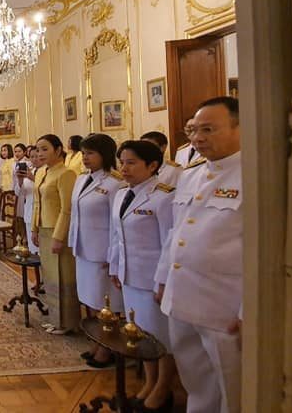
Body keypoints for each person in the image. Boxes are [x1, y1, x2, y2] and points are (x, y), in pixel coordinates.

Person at [156, 97, 242, 413]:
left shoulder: (257, 174)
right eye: (194, 130)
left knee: (233, 390)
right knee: (196, 384)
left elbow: (264, 252)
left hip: (224, 308)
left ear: (240, 127)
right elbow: (175, 230)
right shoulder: (190, 175)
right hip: (182, 299)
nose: (197, 138)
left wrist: (249, 311)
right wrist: (162, 279)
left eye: (209, 129)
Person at [109, 140, 177, 411]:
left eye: (131, 162)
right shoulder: (121, 194)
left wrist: (163, 281)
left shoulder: (164, 196)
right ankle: (150, 382)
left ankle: (163, 388)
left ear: (152, 165)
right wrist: (115, 267)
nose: (124, 168)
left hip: (152, 279)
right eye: (122, 162)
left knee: (161, 336)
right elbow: (117, 236)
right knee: (140, 333)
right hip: (129, 276)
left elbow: (170, 243)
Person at [68, 133, 124, 367]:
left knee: (106, 303)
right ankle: (97, 340)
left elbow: (116, 224)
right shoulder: (82, 179)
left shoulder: (115, 183)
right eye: (83, 153)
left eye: (90, 153)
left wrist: (113, 256)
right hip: (83, 247)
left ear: (105, 154)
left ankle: (108, 347)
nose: (85, 157)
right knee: (90, 298)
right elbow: (75, 213)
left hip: (102, 252)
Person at [32, 134, 80, 334]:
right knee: (50, 276)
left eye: (45, 149)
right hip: (44, 227)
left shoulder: (66, 173)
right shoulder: (42, 172)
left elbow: (67, 209)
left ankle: (68, 322)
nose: (40, 153)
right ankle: (55, 318)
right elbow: (37, 202)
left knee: (63, 276)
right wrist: (34, 228)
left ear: (58, 150)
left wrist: (59, 237)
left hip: (58, 229)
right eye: (38, 149)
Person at [15, 146, 41, 254]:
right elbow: (19, 193)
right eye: (32, 157)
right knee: (32, 248)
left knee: (41, 249)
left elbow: (45, 189)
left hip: (41, 214)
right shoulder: (30, 171)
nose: (34, 159)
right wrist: (20, 180)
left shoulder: (47, 171)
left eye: (37, 156)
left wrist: (33, 178)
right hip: (29, 211)